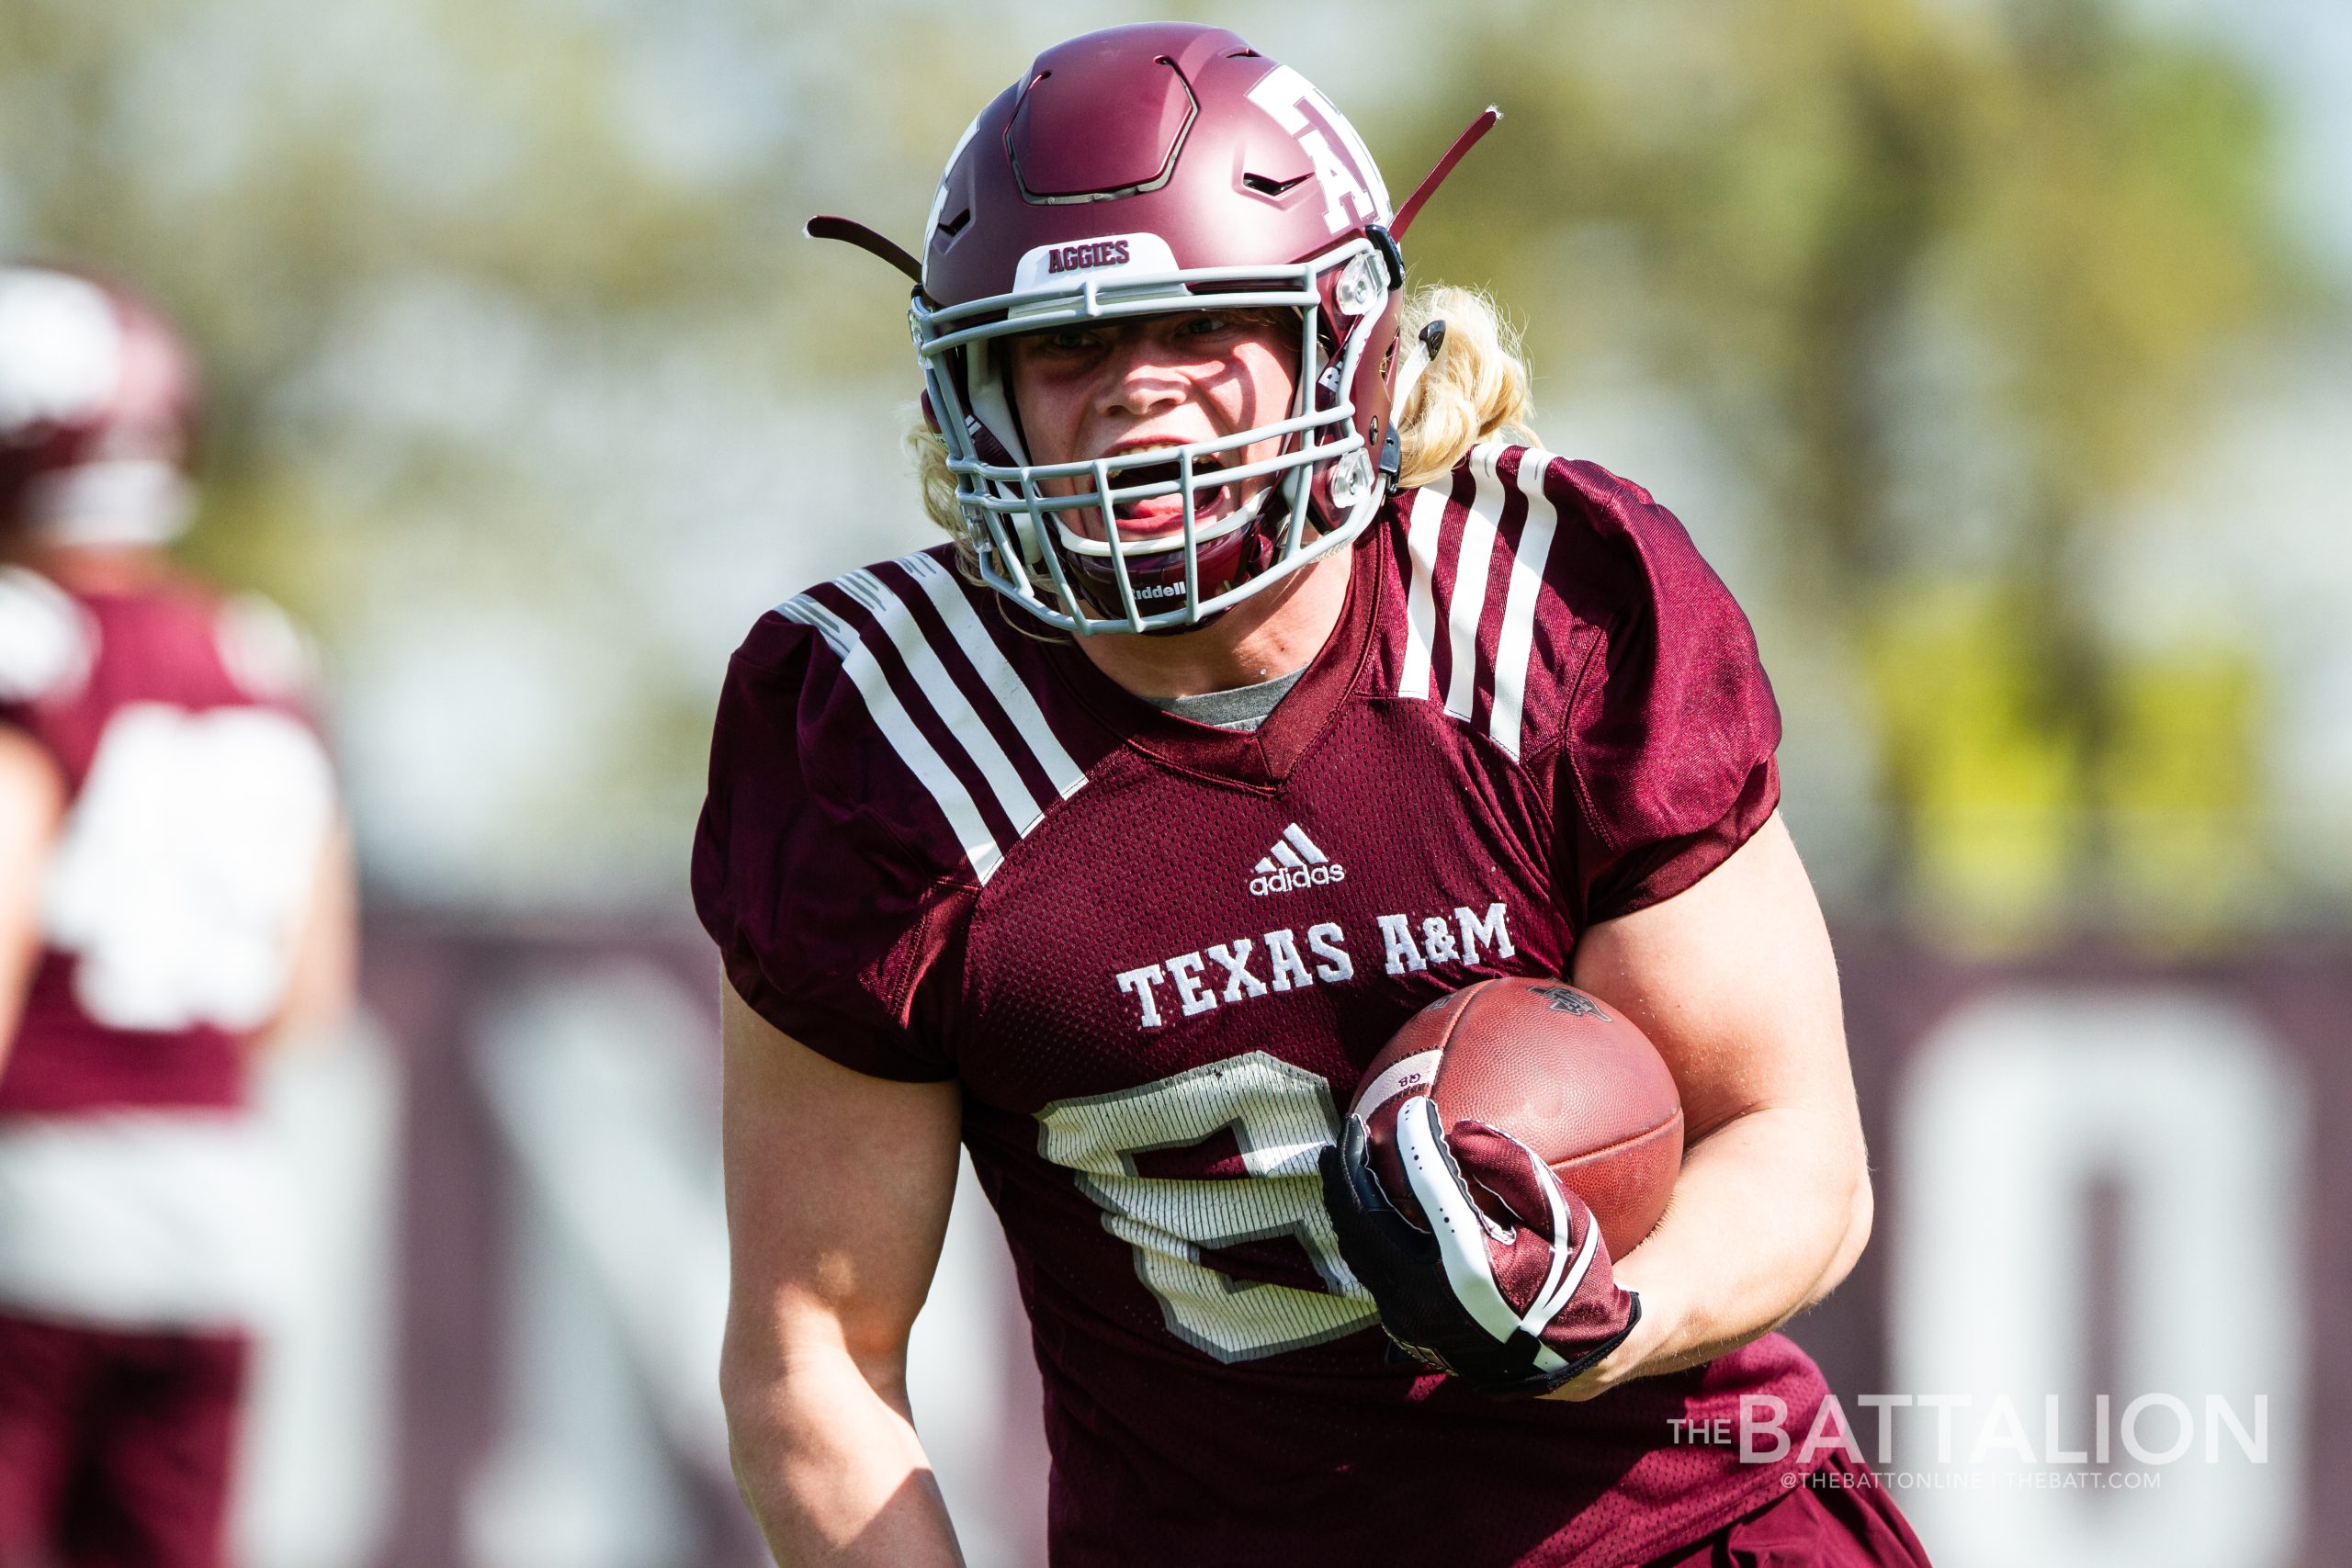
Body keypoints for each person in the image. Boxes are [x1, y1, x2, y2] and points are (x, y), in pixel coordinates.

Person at [696, 23, 1929, 1566]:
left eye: (1197, 326)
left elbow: (1794, 1150)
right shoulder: (885, 744)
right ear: (973, 390)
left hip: (1675, 1534)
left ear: (1341, 338)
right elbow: (813, 1355)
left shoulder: (1545, 615)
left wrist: (1609, 1315)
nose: (1137, 399)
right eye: (1067, 348)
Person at [0, 265, 355, 1568]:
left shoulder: (29, 647)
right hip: (218, 1206)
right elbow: (306, 993)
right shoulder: (260, 654)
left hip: (33, 1184)